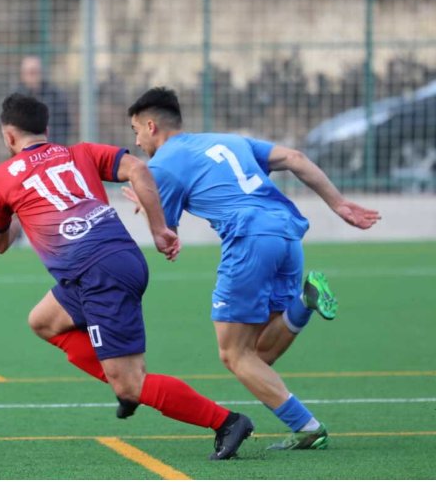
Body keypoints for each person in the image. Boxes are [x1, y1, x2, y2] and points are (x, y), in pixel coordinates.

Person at [0, 93, 254, 460]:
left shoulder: (1, 177)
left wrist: (16, 209)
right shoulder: (80, 152)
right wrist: (159, 229)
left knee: (131, 383)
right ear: (46, 129)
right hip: (115, 260)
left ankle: (226, 421)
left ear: (8, 135)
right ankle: (123, 382)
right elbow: (138, 169)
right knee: (43, 321)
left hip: (97, 274)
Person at [124, 87, 381, 450]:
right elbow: (294, 157)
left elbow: (167, 238)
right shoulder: (227, 140)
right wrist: (338, 204)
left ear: (151, 126)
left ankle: (307, 427)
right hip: (287, 234)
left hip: (250, 239)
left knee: (233, 354)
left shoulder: (161, 165)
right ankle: (304, 302)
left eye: (136, 131)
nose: (137, 141)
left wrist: (147, 204)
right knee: (259, 353)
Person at [16, 56, 71, 146]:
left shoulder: (55, 96)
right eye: (29, 72)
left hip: (51, 147)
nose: (32, 76)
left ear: (41, 73)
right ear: (22, 75)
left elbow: (63, 125)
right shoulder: (15, 98)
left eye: (35, 72)